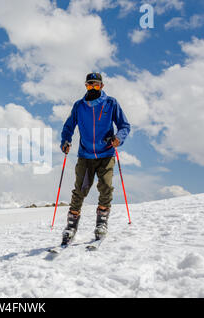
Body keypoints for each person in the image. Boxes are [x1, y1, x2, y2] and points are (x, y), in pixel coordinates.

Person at [60, 72, 130, 246]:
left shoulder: (111, 103)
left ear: (102, 86)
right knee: (80, 190)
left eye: (96, 85)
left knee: (106, 187)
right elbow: (68, 126)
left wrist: (119, 138)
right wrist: (66, 140)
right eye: (89, 85)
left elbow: (124, 125)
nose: (92, 88)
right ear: (85, 86)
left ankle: (101, 223)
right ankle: (71, 226)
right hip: (85, 156)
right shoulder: (79, 106)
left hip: (106, 154)